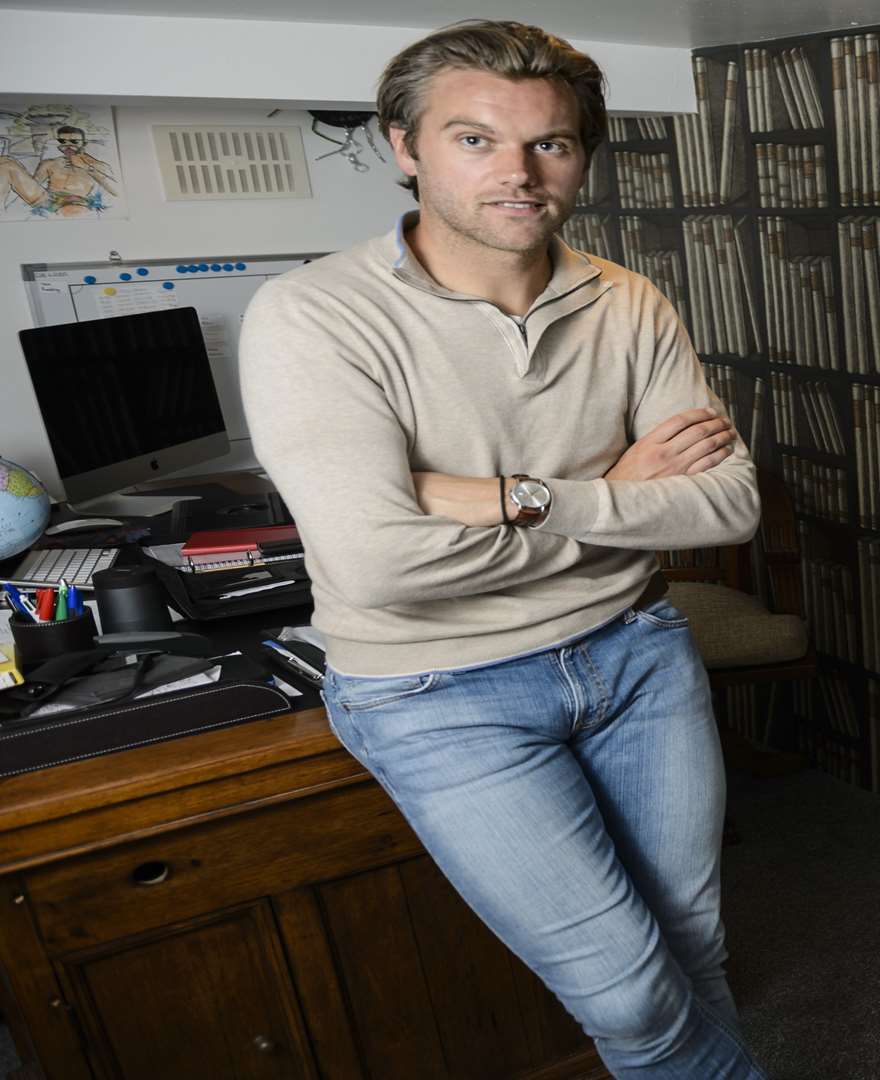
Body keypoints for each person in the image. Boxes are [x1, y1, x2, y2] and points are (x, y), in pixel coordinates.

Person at [239, 20, 769, 1080]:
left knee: (694, 940)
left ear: (581, 155)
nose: (520, 173)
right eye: (475, 140)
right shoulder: (314, 317)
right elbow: (381, 566)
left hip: (633, 654)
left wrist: (505, 499)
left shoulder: (627, 298)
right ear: (405, 147)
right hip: (436, 691)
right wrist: (609, 497)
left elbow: (728, 506)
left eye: (552, 145)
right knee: (626, 989)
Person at [0, 125, 118, 216]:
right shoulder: (50, 163)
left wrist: (88, 168)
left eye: (74, 142)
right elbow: (31, 186)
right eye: (63, 142)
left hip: (78, 201)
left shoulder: (96, 165)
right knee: (5, 162)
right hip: (48, 200)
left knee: (71, 210)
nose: (67, 146)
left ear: (84, 143)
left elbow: (116, 192)